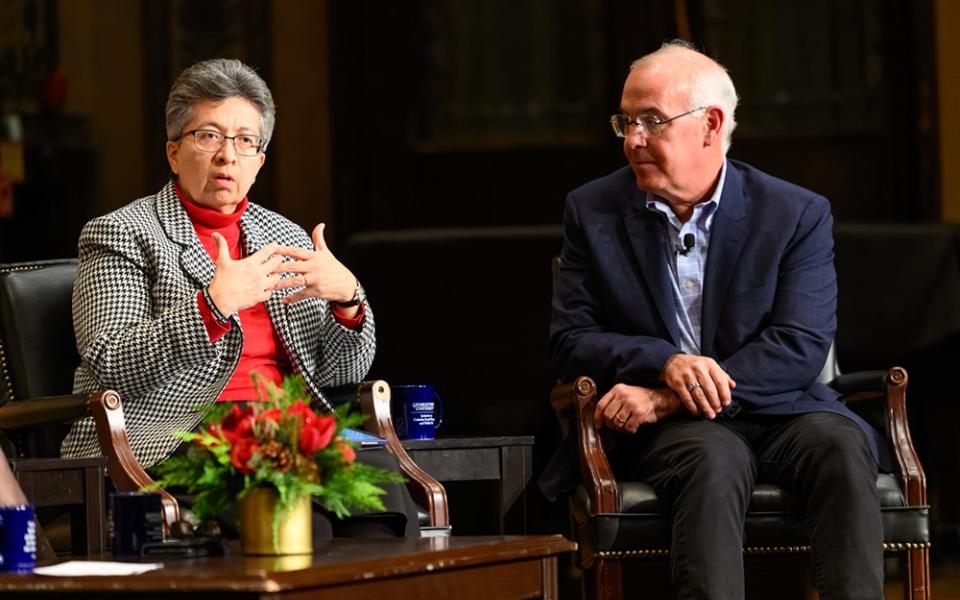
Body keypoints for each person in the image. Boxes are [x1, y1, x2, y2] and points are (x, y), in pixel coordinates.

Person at [540, 40, 887, 598]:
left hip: (779, 409)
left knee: (840, 446)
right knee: (713, 455)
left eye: (652, 121)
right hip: (667, 433)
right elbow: (572, 341)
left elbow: (798, 345)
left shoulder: (795, 211)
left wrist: (669, 394)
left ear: (710, 125)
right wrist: (666, 364)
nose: (633, 140)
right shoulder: (593, 208)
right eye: (625, 121)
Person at [60, 58, 418, 537]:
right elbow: (110, 362)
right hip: (176, 437)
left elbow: (340, 372)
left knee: (390, 515)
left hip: (287, 432)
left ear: (259, 161)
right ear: (173, 152)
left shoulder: (283, 235)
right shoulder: (122, 233)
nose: (228, 155)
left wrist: (347, 302)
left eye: (245, 141)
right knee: (304, 528)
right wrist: (210, 307)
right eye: (208, 136)